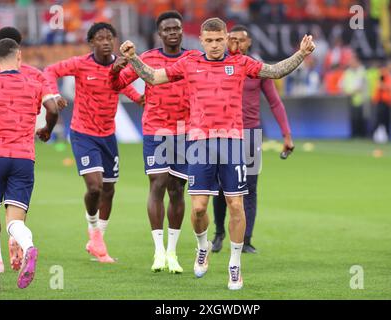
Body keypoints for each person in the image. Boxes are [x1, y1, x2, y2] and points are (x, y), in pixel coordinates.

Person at [120, 17, 315, 289]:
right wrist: (133, 59)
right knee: (199, 209)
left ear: (226, 39)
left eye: (219, 40)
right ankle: (203, 245)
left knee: (236, 204)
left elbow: (274, 71)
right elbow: (154, 77)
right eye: (209, 40)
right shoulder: (189, 63)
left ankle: (234, 265)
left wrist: (301, 54)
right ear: (201, 41)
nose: (214, 45)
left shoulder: (240, 63)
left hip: (233, 142)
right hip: (199, 143)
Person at [44, 22, 144, 263]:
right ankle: (93, 230)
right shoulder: (80, 63)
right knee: (95, 187)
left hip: (108, 135)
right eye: (100, 38)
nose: (106, 41)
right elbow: (49, 70)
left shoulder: (118, 65)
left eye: (110, 37)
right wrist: (53, 94)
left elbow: (122, 86)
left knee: (109, 189)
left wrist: (140, 98)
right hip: (83, 133)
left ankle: (98, 239)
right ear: (91, 42)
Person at [110, 11, 199, 274]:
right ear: (159, 34)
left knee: (177, 190)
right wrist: (116, 67)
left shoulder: (193, 58)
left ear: (182, 31)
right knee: (158, 182)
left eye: (176, 28)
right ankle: (158, 250)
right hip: (155, 129)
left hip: (185, 131)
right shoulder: (146, 58)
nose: (172, 32)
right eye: (167, 29)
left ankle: (172, 251)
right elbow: (118, 82)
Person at [0, 38, 59, 292]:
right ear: (19, 57)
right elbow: (53, 107)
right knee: (15, 220)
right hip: (24, 158)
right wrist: (47, 128)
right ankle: (28, 247)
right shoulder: (35, 83)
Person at [211, 24, 294, 254]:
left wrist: (286, 134)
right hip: (224, 133)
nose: (236, 42)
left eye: (241, 39)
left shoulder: (257, 69)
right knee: (219, 187)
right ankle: (219, 233)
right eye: (232, 38)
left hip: (250, 135)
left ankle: (246, 239)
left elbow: (275, 101)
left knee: (250, 187)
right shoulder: (218, 65)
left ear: (249, 43)